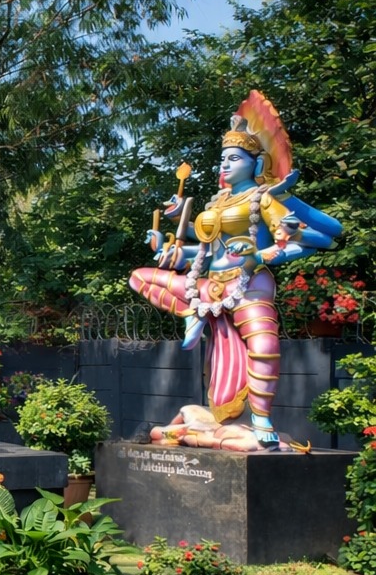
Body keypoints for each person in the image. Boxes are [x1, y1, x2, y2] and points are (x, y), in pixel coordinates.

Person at [128, 91, 341, 448]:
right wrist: (167, 250)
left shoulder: (264, 198)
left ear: (256, 165)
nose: (223, 166)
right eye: (222, 160)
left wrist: (259, 255)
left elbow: (316, 239)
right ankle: (191, 313)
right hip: (211, 286)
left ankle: (259, 417)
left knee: (264, 346)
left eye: (234, 159)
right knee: (139, 276)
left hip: (249, 285)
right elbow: (205, 255)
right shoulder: (216, 203)